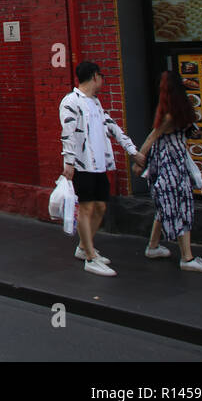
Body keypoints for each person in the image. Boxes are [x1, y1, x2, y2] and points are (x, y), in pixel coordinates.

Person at [60, 61, 139, 276]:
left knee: (101, 207)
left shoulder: (95, 102)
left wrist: (132, 150)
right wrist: (69, 162)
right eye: (102, 76)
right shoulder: (71, 101)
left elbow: (112, 126)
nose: (103, 80)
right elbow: (67, 134)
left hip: (99, 164)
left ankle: (85, 247)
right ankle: (90, 258)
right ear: (95, 76)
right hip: (82, 164)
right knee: (86, 208)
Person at [133, 71, 202, 272]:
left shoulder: (170, 112)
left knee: (167, 206)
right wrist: (138, 160)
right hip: (172, 166)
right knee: (180, 206)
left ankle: (153, 247)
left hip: (168, 164)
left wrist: (140, 161)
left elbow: (153, 138)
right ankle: (187, 258)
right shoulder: (176, 113)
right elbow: (153, 137)